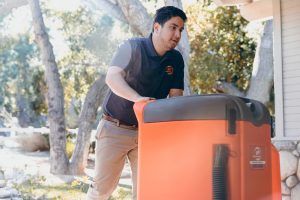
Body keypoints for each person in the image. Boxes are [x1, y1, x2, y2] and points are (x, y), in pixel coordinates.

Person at [86, 6, 187, 200]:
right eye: (173, 27)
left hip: (148, 133)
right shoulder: (131, 46)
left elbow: (175, 98)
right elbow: (112, 77)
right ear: (157, 27)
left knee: (146, 193)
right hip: (115, 127)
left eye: (180, 30)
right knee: (102, 189)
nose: (177, 34)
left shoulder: (175, 59)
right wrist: (138, 99)